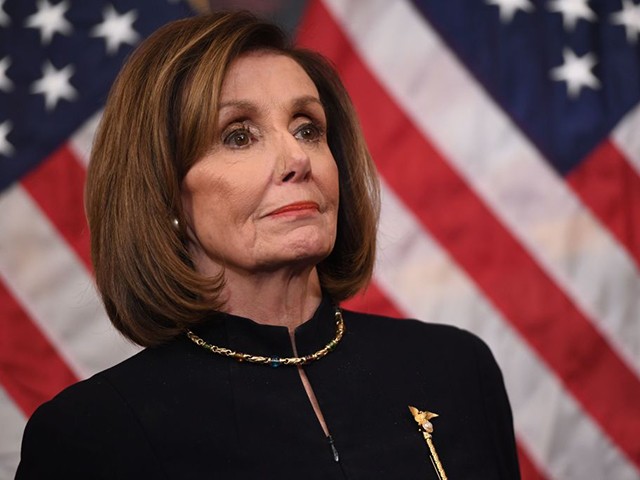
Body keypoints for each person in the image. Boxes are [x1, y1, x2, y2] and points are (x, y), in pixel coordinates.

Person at [16, 11, 520, 479]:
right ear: (164, 190)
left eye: (307, 127)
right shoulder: (91, 437)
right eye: (239, 136)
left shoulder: (456, 369)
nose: (296, 157)